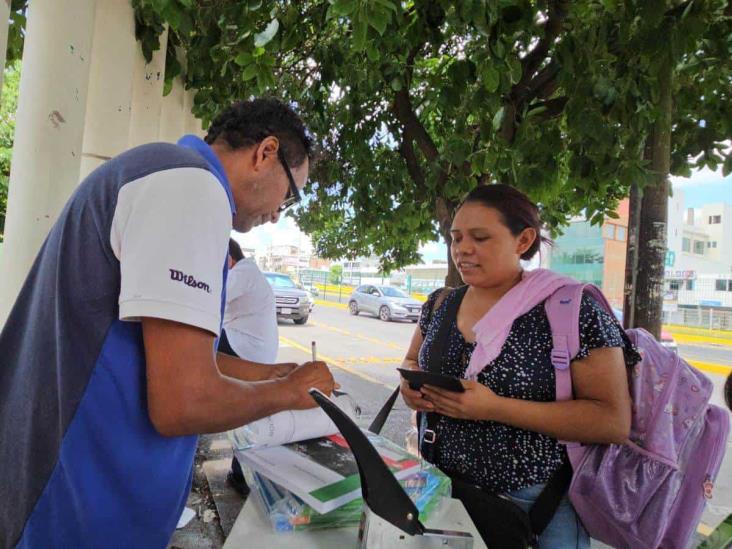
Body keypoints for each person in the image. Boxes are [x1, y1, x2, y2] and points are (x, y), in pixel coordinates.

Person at [0, 98, 336, 548]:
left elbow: (167, 352)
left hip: (77, 490)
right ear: (265, 153)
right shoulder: (191, 190)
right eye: (290, 195)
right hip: (73, 505)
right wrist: (286, 394)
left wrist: (273, 374)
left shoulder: (165, 172)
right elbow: (183, 400)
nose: (278, 213)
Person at [399, 184, 640, 548]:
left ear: (523, 240)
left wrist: (493, 408)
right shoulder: (440, 303)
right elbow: (411, 359)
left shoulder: (572, 310)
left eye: (480, 237)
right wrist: (409, 388)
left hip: (535, 507)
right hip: (444, 490)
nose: (462, 249)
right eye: (456, 237)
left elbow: (612, 421)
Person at [219, 238, 279, 495]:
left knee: (195, 341)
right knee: (244, 412)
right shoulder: (247, 273)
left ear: (228, 258)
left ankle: (242, 474)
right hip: (251, 350)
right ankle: (240, 474)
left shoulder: (243, 271)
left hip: (247, 349)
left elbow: (211, 297)